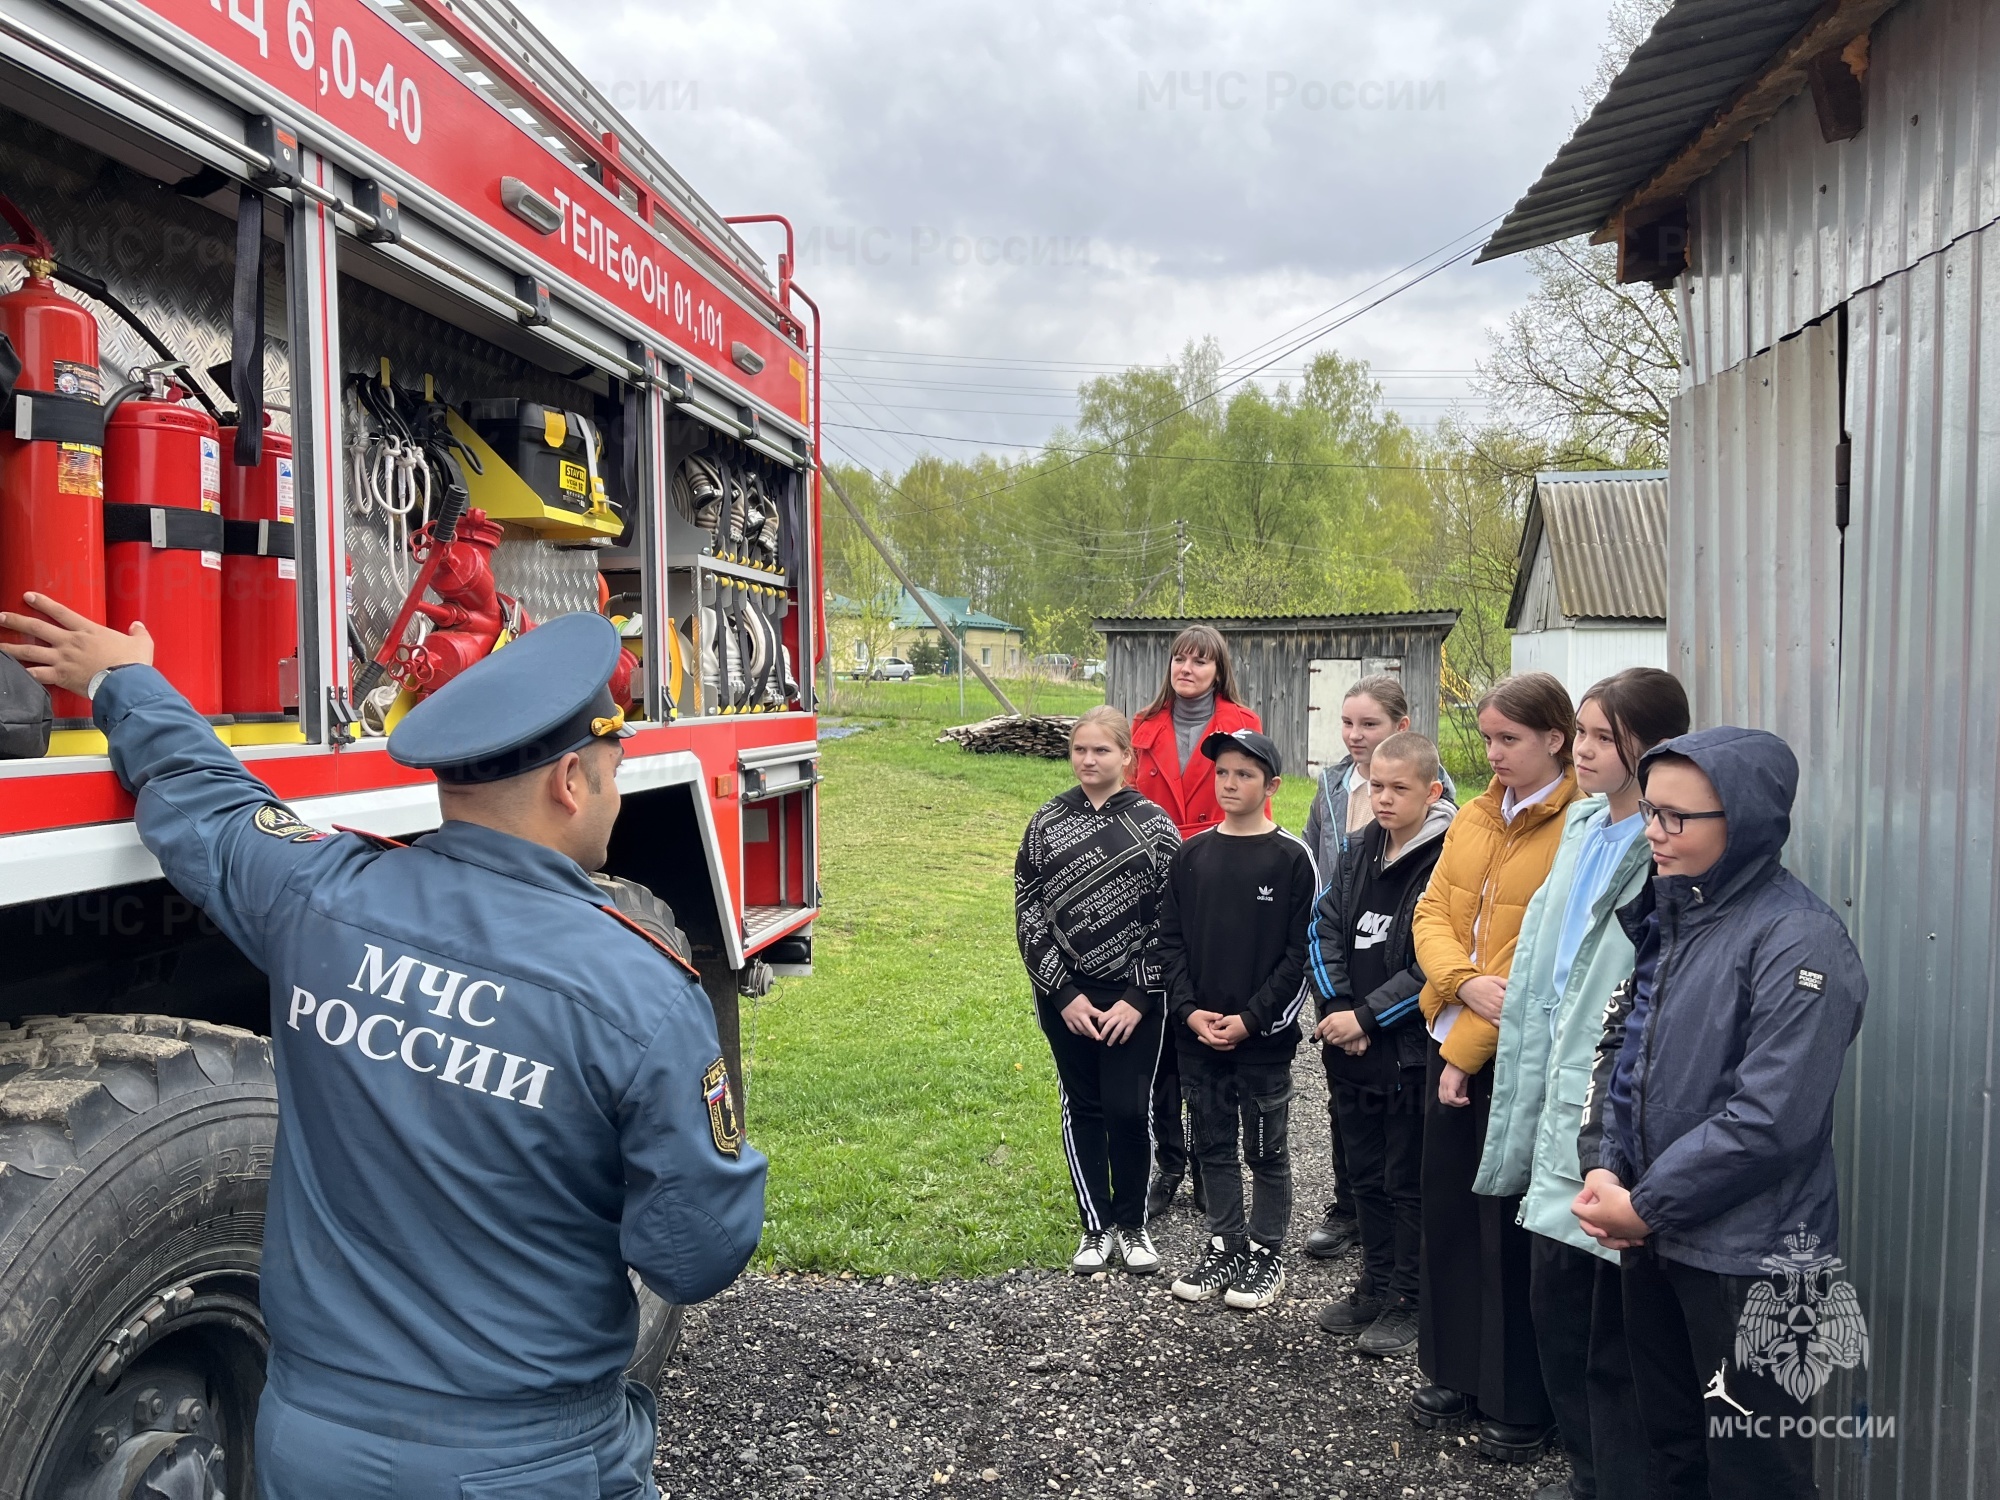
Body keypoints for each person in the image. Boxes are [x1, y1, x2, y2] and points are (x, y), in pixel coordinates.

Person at [0, 594, 767, 1500]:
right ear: (570, 781)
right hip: (524, 1460)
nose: (614, 787)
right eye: (613, 764)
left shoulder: (320, 897)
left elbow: (208, 799)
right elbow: (693, 1254)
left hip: (312, 1442)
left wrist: (123, 679)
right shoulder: (640, 993)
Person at [1573, 728, 1866, 1499]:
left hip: (1753, 1261)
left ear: (1746, 822)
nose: (1655, 834)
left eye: (1677, 819)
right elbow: (1621, 1045)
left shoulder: (1800, 941)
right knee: (1669, 1448)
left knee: (1754, 1469)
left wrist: (1645, 1205)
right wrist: (1603, 1164)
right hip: (1656, 1237)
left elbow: (1773, 1117)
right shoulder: (1673, 914)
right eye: (1651, 813)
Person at [1473, 668, 1689, 1500]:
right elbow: (1538, 962)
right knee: (1554, 1311)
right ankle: (1585, 1468)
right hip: (1545, 1078)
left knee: (1608, 1330)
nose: (1589, 751)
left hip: (1604, 1105)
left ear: (1653, 746)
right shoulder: (1585, 823)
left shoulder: (1661, 849)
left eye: (1604, 737)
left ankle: (1611, 1477)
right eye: (1586, 734)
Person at [1409, 671, 1581, 1461]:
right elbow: (1432, 912)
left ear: (1556, 737)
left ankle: (1518, 1397)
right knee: (1446, 1211)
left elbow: (1536, 960)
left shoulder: (1575, 824)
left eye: (1509, 739)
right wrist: (1458, 983)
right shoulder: (1475, 815)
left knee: (1506, 1225)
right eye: (1486, 738)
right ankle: (1454, 1370)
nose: (1494, 753)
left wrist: (1465, 1045)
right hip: (1454, 1031)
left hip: (1508, 1055)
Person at [1015, 706, 1182, 1276]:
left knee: (1129, 1110)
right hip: (1068, 994)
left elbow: (1169, 919)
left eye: (1102, 751)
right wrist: (1062, 995)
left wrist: (1139, 996)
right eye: (1080, 750)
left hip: (1137, 996)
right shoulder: (1046, 822)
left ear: (1127, 758)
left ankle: (1133, 1226)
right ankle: (1096, 1227)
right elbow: (1029, 911)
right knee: (1083, 1106)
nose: (1089, 760)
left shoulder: (1157, 826)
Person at [1305, 730, 1454, 1356]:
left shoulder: (1446, 859)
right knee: (1363, 1175)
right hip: (1350, 1049)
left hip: (1407, 1053)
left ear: (1433, 791)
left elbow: (1435, 964)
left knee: (1405, 1180)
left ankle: (1410, 1299)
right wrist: (1339, 1011)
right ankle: (1373, 1283)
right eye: (1377, 787)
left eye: (1400, 788)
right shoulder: (1363, 846)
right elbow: (1324, 925)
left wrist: (1369, 1017)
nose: (1385, 799)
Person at [1157, 728, 1316, 1311]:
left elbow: (1301, 956)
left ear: (1271, 785)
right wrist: (1190, 1011)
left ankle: (1267, 1252)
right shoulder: (1191, 854)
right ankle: (1225, 1242)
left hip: (1262, 1041)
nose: (1230, 783)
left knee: (1267, 1150)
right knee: (1213, 1145)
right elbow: (1168, 941)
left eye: (1245, 774)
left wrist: (1253, 1020)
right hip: (1198, 1037)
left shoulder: (1292, 859)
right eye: (1222, 772)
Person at [1128, 625, 1261, 1218]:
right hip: (1157, 880)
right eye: (1180, 658)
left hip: (1217, 872)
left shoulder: (1243, 723)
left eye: (1200, 661)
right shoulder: (1142, 726)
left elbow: (1256, 808)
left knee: (1212, 1030)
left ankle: (1213, 1165)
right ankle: (1168, 1166)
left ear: (1217, 670)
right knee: (1162, 1041)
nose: (1188, 668)